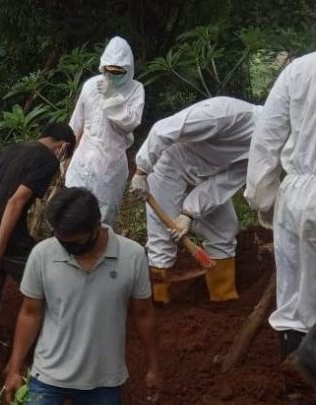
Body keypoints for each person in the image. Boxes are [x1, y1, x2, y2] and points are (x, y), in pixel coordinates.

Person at [3, 188, 160, 405]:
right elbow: (30, 313)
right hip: (47, 375)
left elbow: (144, 314)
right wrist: (15, 367)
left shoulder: (132, 256)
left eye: (74, 243)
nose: (66, 248)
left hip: (103, 378)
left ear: (95, 226)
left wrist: (153, 367)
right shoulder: (43, 254)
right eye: (62, 241)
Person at [129, 96, 261, 303]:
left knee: (224, 228)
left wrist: (188, 213)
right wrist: (142, 170)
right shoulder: (228, 114)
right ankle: (159, 301)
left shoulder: (266, 149)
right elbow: (163, 129)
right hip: (172, 165)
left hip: (208, 174)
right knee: (163, 238)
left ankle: (223, 300)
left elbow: (223, 183)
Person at [0, 122, 76, 369]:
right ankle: (31, 365)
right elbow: (16, 202)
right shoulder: (47, 160)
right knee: (49, 297)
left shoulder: (10, 150)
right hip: (10, 247)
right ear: (63, 147)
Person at [245, 51, 316, 359]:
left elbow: (266, 138)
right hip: (301, 191)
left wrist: (264, 200)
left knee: (295, 305)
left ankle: (297, 388)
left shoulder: (299, 70)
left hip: (297, 199)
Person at [65, 37, 145, 228]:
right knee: (72, 214)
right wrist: (66, 154)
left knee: (102, 220)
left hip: (110, 165)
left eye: (119, 71)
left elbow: (130, 122)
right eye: (110, 70)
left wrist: (112, 98)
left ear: (128, 69)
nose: (114, 74)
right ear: (103, 66)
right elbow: (77, 122)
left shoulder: (135, 89)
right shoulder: (91, 85)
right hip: (83, 160)